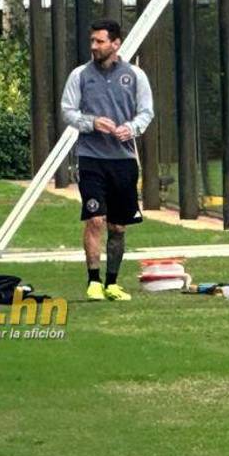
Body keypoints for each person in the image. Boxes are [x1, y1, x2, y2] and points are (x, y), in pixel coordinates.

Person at [61, 19, 154, 301]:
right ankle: (93, 281)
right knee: (96, 219)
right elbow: (67, 111)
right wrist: (90, 122)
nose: (94, 46)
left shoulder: (135, 75)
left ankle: (112, 284)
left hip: (124, 161)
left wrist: (132, 128)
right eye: (92, 41)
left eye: (100, 42)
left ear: (116, 44)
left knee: (117, 226)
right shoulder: (79, 75)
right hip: (91, 159)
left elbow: (146, 112)